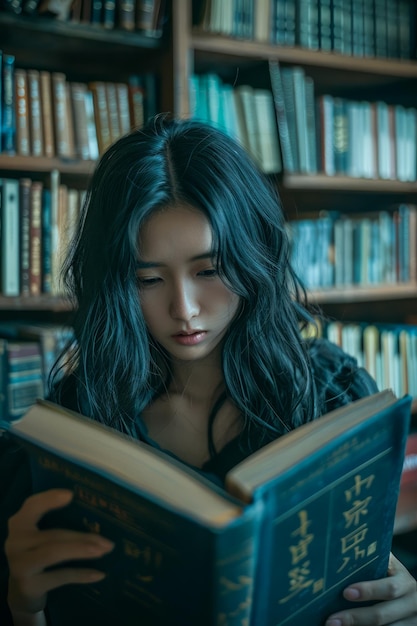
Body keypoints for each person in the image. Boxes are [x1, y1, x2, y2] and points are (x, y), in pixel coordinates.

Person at [0, 115, 416, 626]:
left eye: (210, 270)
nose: (185, 309)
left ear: (254, 257)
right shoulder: (76, 424)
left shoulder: (334, 397)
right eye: (148, 279)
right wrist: (22, 606)